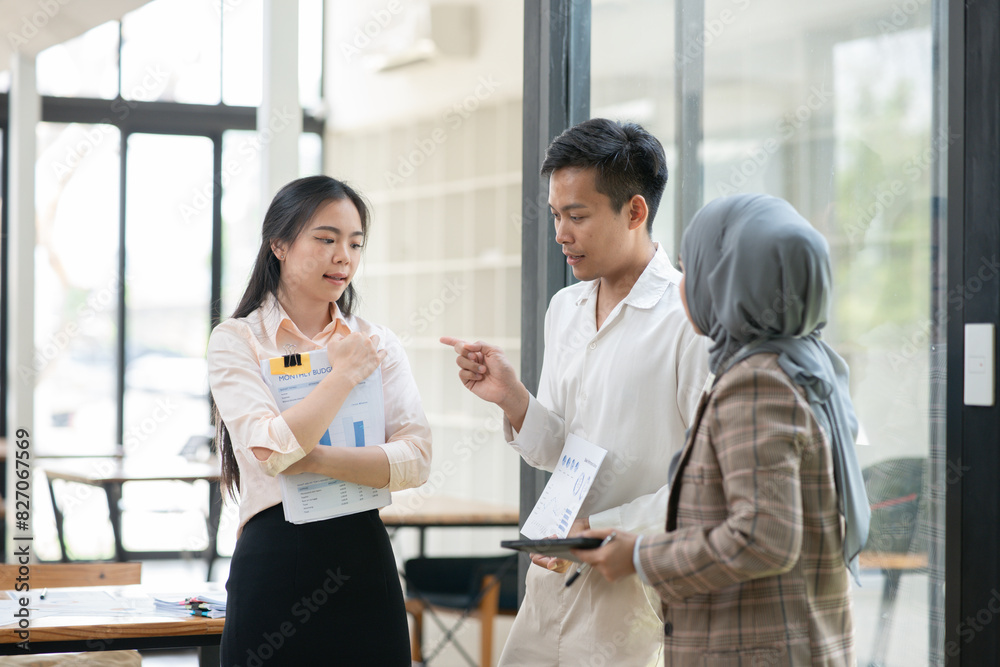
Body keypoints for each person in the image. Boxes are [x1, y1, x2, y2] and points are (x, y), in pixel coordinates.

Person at [441, 118, 710, 665]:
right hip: (553, 573)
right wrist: (512, 398)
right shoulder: (565, 309)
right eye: (556, 215)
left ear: (635, 211)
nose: (561, 233)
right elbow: (560, 450)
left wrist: (606, 530)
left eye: (578, 216)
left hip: (635, 587)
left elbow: (705, 480)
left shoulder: (688, 315)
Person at [573, 193, 870, 665]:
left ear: (730, 282)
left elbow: (762, 538)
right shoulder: (804, 367)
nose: (684, 285)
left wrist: (639, 555)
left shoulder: (756, 383)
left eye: (694, 270)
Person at [208, 175, 431, 666]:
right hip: (274, 559)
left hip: (363, 558)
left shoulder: (378, 342)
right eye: (326, 239)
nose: (343, 256)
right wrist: (344, 374)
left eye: (354, 243)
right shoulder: (238, 341)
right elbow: (271, 450)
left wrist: (314, 458)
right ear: (280, 244)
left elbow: (415, 460)